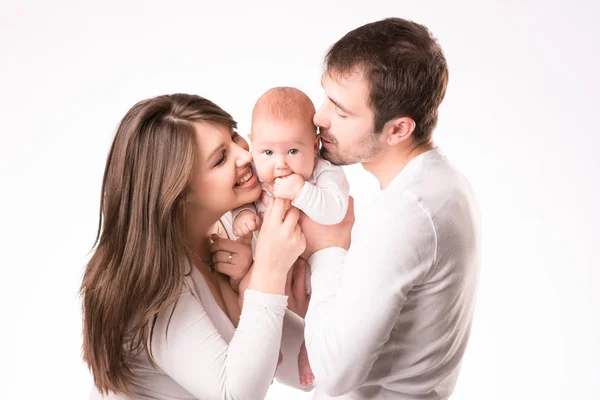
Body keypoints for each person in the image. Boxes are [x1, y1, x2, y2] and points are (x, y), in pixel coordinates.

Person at [80, 93, 311, 400]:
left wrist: (252, 284)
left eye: (234, 136)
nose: (245, 156)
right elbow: (236, 395)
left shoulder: (230, 232)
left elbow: (305, 372)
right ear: (178, 192)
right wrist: (268, 274)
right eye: (220, 158)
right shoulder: (152, 287)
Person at [298, 18, 482, 399]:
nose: (319, 117)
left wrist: (327, 248)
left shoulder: (405, 213)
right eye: (325, 97)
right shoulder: (444, 184)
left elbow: (331, 375)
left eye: (341, 111)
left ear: (397, 130)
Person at [232, 86, 350, 387]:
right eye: (268, 152)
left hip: (316, 261)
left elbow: (336, 211)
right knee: (247, 293)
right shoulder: (259, 177)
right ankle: (265, 352)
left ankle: (312, 349)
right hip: (274, 263)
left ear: (315, 146)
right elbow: (243, 202)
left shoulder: (325, 173)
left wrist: (302, 192)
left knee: (330, 294)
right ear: (254, 147)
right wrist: (243, 216)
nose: (280, 164)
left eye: (293, 151)